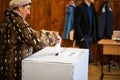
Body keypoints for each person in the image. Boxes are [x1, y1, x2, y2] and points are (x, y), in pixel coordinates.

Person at [0, 0, 61, 80]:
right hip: (13, 70)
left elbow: (29, 33)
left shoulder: (8, 19)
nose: (29, 12)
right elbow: (35, 40)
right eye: (28, 8)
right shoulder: (17, 22)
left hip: (5, 68)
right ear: (20, 8)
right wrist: (55, 36)